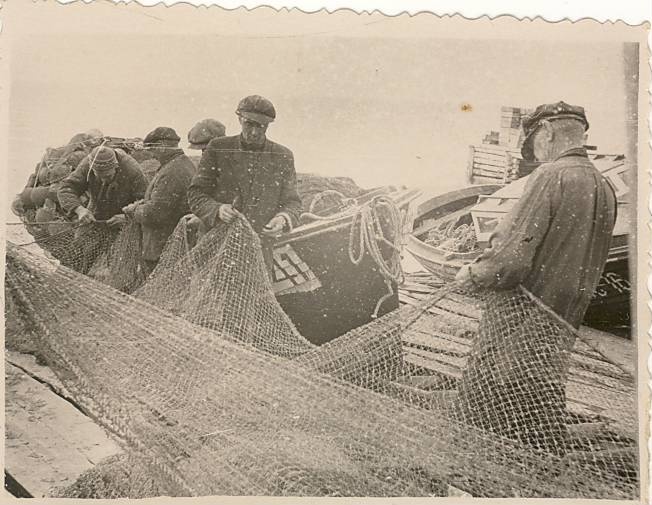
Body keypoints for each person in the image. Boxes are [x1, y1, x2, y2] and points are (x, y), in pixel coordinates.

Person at [454, 101, 617, 454]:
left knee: (481, 415)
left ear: (546, 131)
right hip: (560, 327)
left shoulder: (550, 176)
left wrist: (471, 274)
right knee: (536, 410)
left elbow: (508, 260)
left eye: (533, 145)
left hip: (516, 325)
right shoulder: (604, 186)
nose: (536, 154)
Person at [187, 95, 302, 276]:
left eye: (261, 126)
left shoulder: (283, 155)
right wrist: (217, 210)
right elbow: (196, 194)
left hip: (258, 256)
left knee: (255, 304)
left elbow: (293, 202)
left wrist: (283, 218)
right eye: (249, 124)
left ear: (268, 125)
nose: (255, 132)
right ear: (239, 119)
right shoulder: (218, 148)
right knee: (212, 302)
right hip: (215, 252)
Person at [57, 145, 148, 273]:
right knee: (77, 253)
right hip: (94, 215)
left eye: (108, 176)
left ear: (116, 167)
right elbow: (66, 188)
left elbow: (145, 201)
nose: (104, 180)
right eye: (99, 176)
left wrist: (127, 217)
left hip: (122, 220)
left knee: (120, 264)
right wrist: (79, 210)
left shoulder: (132, 170)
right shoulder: (87, 164)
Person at [122, 127, 196, 276]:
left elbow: (155, 214)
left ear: (162, 145)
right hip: (169, 246)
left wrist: (133, 210)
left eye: (152, 149)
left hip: (164, 249)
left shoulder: (173, 171)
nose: (151, 155)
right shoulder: (178, 165)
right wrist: (141, 204)